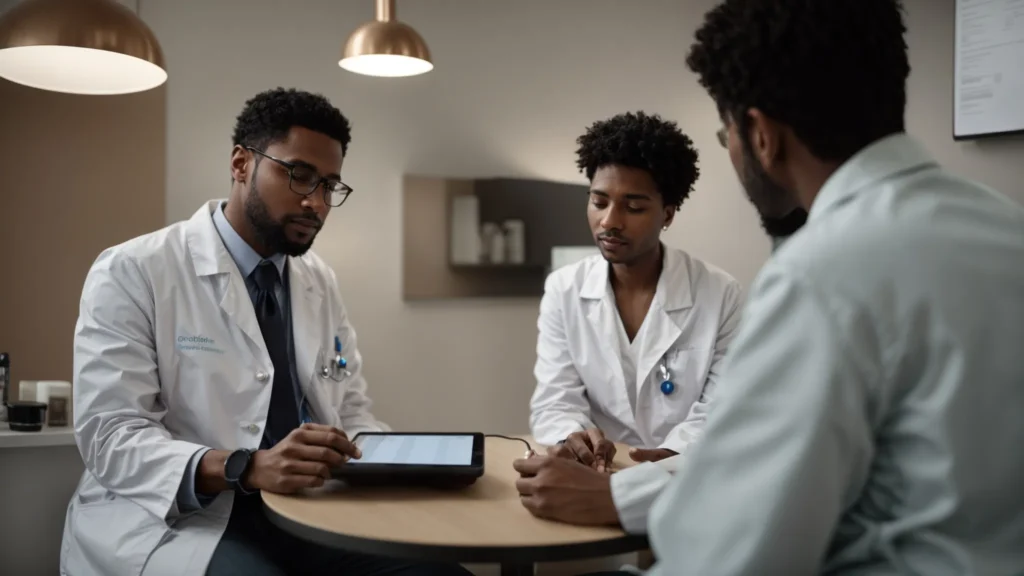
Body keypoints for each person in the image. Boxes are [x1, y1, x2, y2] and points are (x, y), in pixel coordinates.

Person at [641, 0, 1024, 574]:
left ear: (762, 136)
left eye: (728, 136)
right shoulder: (1007, 227)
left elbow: (725, 557)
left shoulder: (820, 274)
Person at [61, 88, 471, 576]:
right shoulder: (134, 270)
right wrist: (247, 467)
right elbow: (111, 437)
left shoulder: (317, 279)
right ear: (241, 163)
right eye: (298, 175)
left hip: (308, 510)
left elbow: (350, 407)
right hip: (182, 519)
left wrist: (393, 463)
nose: (315, 202)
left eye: (329, 186)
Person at [521, 111, 744, 532]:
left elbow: (721, 409)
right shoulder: (564, 289)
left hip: (688, 488)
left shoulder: (720, 294)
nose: (609, 222)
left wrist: (670, 457)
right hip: (594, 484)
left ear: (669, 213)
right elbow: (555, 398)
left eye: (634, 206)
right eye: (599, 201)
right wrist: (576, 439)